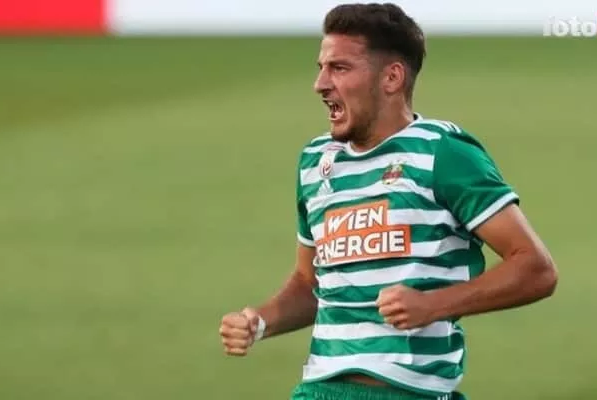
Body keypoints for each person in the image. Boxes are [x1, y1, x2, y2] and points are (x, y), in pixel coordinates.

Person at [219, 3, 558, 399]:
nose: (320, 84)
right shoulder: (316, 161)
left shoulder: (442, 152)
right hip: (320, 391)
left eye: (339, 68)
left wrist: (433, 305)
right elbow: (311, 283)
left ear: (392, 77)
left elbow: (535, 268)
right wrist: (260, 320)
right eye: (321, 67)